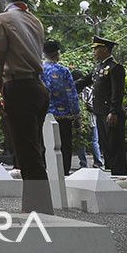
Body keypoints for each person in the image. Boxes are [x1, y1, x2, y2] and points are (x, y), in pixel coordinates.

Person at [0, 0, 53, 214]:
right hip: (37, 87)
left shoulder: (2, 19)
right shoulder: (34, 20)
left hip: (18, 88)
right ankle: (36, 205)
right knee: (33, 149)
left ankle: (39, 209)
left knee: (26, 152)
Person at [76, 36, 127, 176]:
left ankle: (120, 174)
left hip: (111, 113)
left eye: (96, 48)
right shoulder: (99, 67)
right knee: (105, 145)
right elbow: (83, 81)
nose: (94, 51)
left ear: (104, 49)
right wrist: (67, 85)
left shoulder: (115, 68)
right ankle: (111, 172)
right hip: (100, 112)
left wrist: (114, 111)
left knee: (115, 145)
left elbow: (118, 92)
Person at [40, 40, 80, 175]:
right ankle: (64, 172)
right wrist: (76, 114)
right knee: (65, 146)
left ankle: (48, 170)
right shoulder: (64, 71)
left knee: (46, 144)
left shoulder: (39, 70)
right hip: (64, 116)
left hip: (44, 115)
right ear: (57, 54)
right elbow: (71, 93)